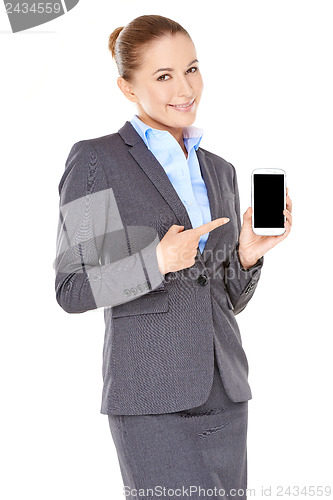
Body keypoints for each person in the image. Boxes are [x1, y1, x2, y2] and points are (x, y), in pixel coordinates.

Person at [54, 14, 292, 500]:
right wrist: (156, 261)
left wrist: (246, 258)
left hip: (225, 393)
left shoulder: (219, 171)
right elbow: (73, 287)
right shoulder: (98, 160)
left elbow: (225, 300)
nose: (185, 88)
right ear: (127, 87)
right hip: (151, 401)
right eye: (163, 76)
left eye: (192, 69)